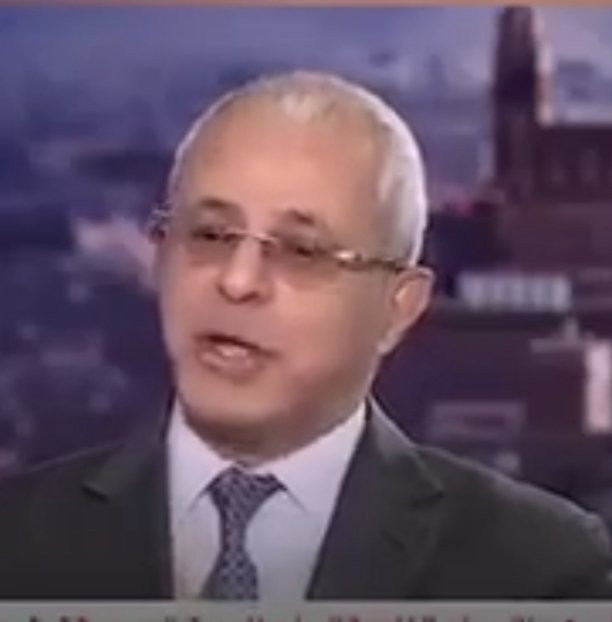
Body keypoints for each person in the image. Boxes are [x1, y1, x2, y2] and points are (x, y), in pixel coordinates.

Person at [0, 71, 610, 600]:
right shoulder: (17, 541)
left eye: (301, 251)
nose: (238, 282)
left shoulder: (538, 571)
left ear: (398, 308)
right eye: (209, 236)